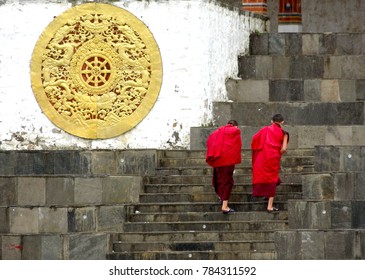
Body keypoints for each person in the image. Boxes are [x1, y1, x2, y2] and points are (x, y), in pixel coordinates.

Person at [251, 114, 289, 212]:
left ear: (272, 121)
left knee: (271, 178)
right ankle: (270, 206)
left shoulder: (264, 130)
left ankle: (266, 194)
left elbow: (254, 139)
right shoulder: (284, 133)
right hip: (273, 157)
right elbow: (284, 149)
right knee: (272, 179)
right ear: (282, 122)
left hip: (262, 156)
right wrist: (277, 152)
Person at [206, 120, 242, 214]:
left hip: (218, 160)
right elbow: (237, 146)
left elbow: (210, 141)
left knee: (219, 180)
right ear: (235, 126)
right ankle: (225, 206)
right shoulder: (235, 130)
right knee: (227, 182)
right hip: (228, 161)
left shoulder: (217, 132)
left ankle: (221, 197)